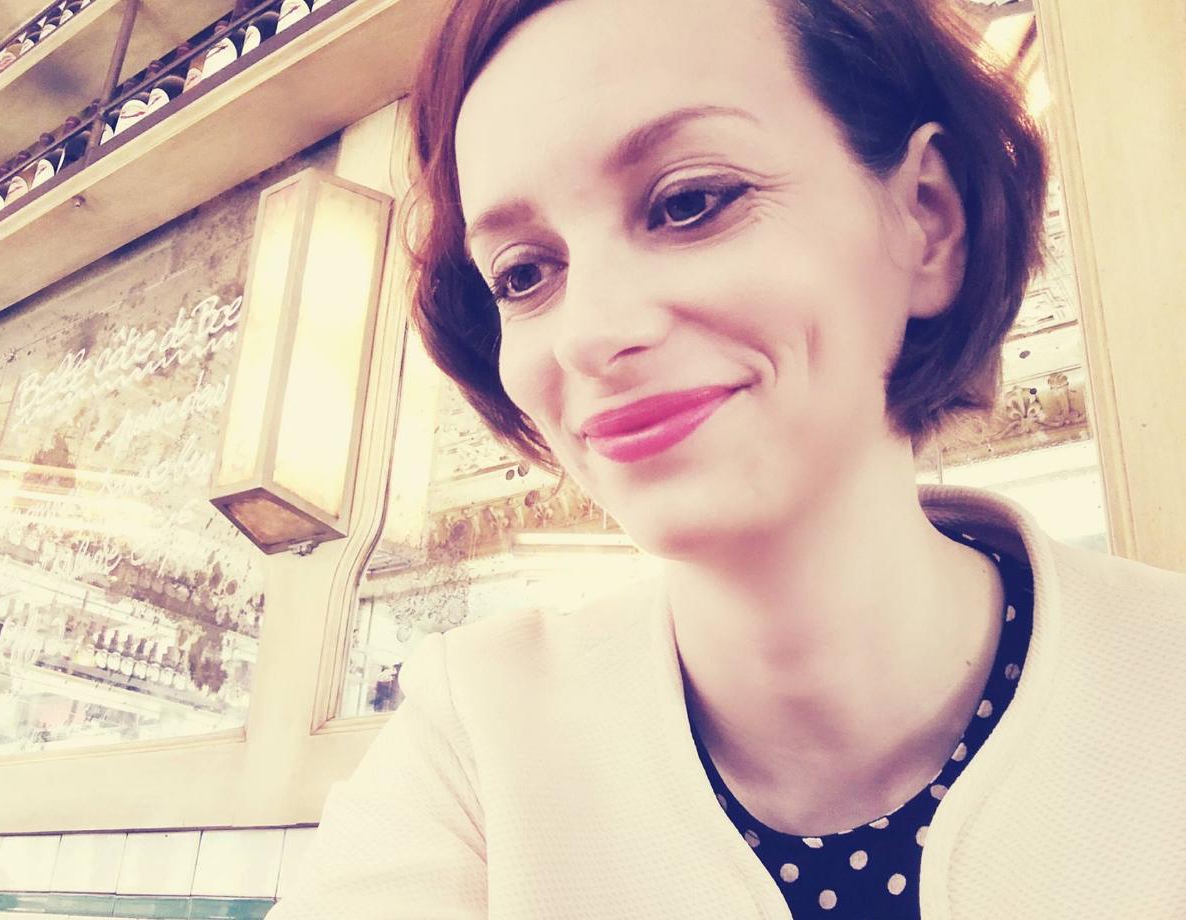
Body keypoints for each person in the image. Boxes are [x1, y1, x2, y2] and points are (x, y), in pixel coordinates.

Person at [266, 0, 1186, 916]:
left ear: (926, 219)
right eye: (524, 273)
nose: (588, 335)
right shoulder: (477, 742)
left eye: (689, 203)